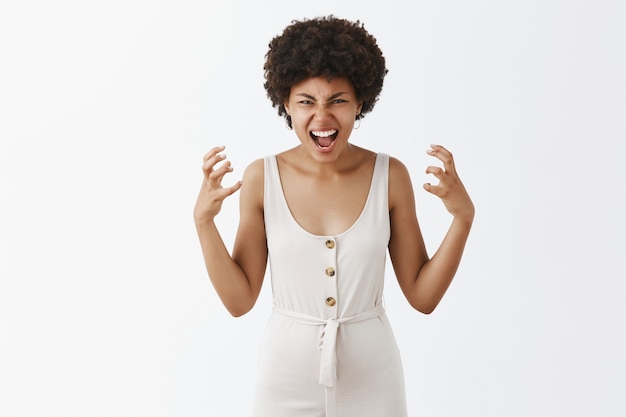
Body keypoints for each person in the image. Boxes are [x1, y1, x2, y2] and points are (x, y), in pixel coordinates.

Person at [193, 15, 474, 417]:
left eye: (338, 100)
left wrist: (462, 219)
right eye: (307, 101)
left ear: (360, 103)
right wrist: (204, 222)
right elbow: (239, 301)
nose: (322, 118)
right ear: (286, 104)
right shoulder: (262, 178)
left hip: (373, 380)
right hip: (284, 379)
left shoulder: (389, 176)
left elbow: (423, 297)